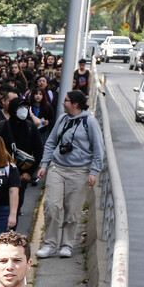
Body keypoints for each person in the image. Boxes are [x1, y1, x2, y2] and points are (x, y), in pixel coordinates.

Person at [36, 90, 102, 259]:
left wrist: (94, 171)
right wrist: (45, 164)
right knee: (52, 207)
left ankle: (66, 245)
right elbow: (51, 142)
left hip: (80, 172)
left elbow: (98, 149)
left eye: (66, 101)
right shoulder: (62, 119)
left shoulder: (90, 122)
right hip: (57, 168)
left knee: (72, 210)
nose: (63, 103)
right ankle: (49, 244)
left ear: (75, 104)